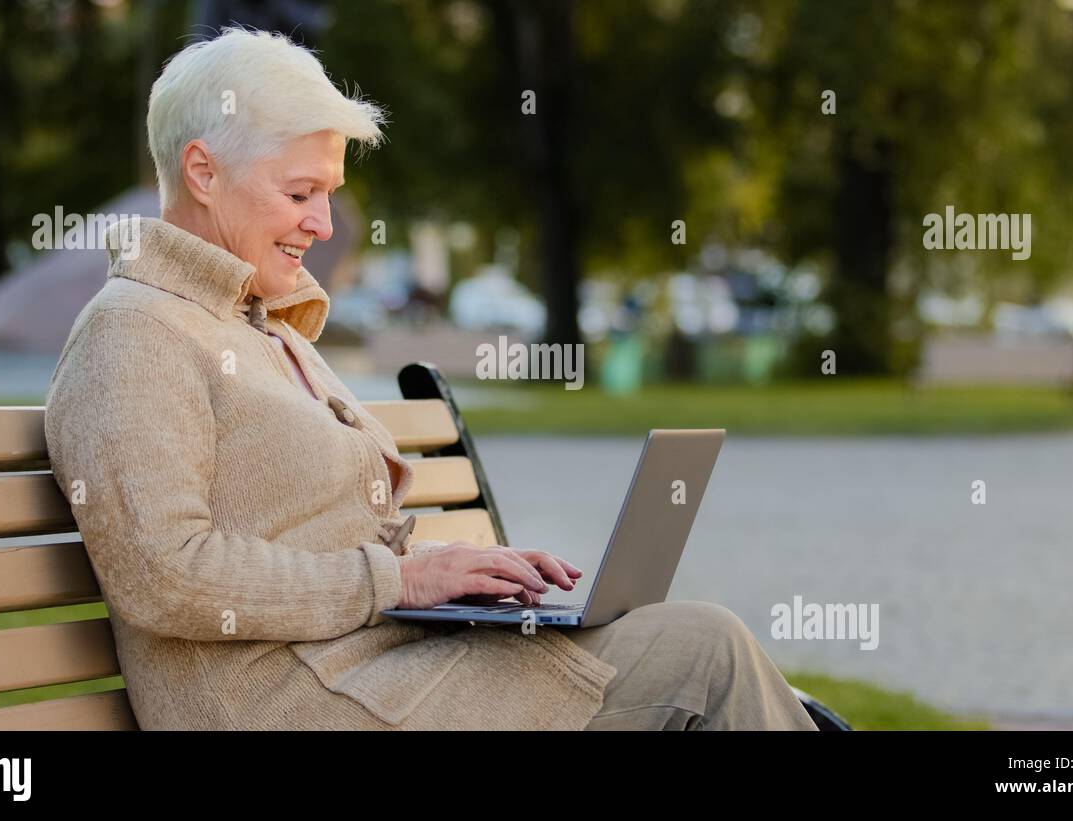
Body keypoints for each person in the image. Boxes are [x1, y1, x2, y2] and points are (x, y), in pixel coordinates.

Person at [44, 26, 816, 731]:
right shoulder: (135, 331)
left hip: (378, 669)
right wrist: (402, 580)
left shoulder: (260, 323)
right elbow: (165, 574)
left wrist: (462, 580)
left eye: (329, 196)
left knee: (696, 646)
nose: (322, 223)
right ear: (203, 172)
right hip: (292, 703)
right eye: (299, 192)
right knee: (704, 652)